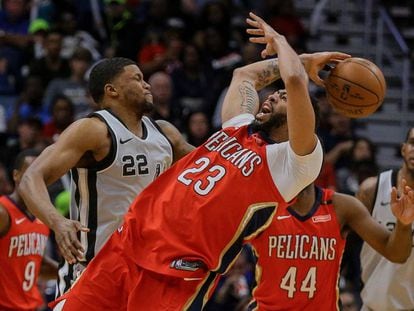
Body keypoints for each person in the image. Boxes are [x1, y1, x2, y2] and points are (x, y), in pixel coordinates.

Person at [49, 13, 350, 310]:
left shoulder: (294, 162)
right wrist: (306, 58)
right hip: (129, 243)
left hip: (177, 271)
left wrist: (282, 44)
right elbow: (244, 76)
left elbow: (295, 80)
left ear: (301, 116)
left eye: (282, 97)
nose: (271, 96)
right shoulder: (239, 125)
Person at [18, 57, 194, 297]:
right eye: (137, 78)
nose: (147, 85)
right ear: (112, 90)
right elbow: (31, 179)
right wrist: (58, 222)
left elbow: (217, 167)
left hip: (147, 270)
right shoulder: (93, 130)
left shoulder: (166, 134)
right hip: (93, 270)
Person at [246, 179, 414, 310]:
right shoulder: (262, 204)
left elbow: (396, 254)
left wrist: (404, 224)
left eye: (308, 156)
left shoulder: (342, 206)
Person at [358, 127, 414, 311]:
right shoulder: (371, 189)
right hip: (374, 305)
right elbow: (347, 246)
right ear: (403, 148)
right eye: (413, 143)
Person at [0, 149, 51, 310]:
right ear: (16, 175)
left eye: (40, 173)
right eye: (30, 173)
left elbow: (38, 263)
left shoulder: (42, 217)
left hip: (32, 306)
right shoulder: (3, 212)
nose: (34, 179)